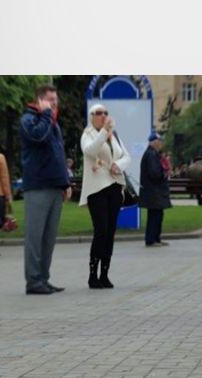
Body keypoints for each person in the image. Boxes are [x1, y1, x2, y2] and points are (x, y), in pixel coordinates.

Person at [19, 83, 71, 295]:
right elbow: (37, 137)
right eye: (50, 101)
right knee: (35, 237)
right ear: (40, 100)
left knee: (48, 238)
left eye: (56, 101)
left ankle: (44, 278)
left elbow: (58, 156)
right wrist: (47, 114)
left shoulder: (52, 123)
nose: (54, 105)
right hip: (38, 186)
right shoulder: (29, 120)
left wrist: (65, 182)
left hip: (54, 186)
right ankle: (33, 280)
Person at [79, 103, 131, 289]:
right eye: (99, 113)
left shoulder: (113, 135)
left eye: (105, 113)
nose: (103, 116)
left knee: (110, 232)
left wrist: (119, 165)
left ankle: (105, 274)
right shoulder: (88, 134)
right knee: (100, 231)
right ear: (92, 116)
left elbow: (126, 156)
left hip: (114, 186)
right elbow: (90, 151)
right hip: (96, 188)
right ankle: (93, 275)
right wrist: (103, 133)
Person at [139, 130, 172, 248]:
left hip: (154, 192)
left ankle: (156, 239)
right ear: (154, 142)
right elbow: (154, 174)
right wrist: (165, 173)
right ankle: (151, 240)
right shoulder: (151, 155)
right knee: (154, 216)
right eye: (159, 141)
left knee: (157, 215)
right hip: (154, 192)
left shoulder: (152, 154)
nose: (161, 143)